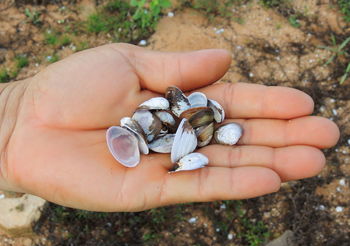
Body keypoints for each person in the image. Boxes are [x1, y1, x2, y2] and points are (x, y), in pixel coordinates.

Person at [0, 44, 339, 212]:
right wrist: (11, 116)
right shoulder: (158, 127)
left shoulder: (179, 125)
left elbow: (186, 127)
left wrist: (11, 115)